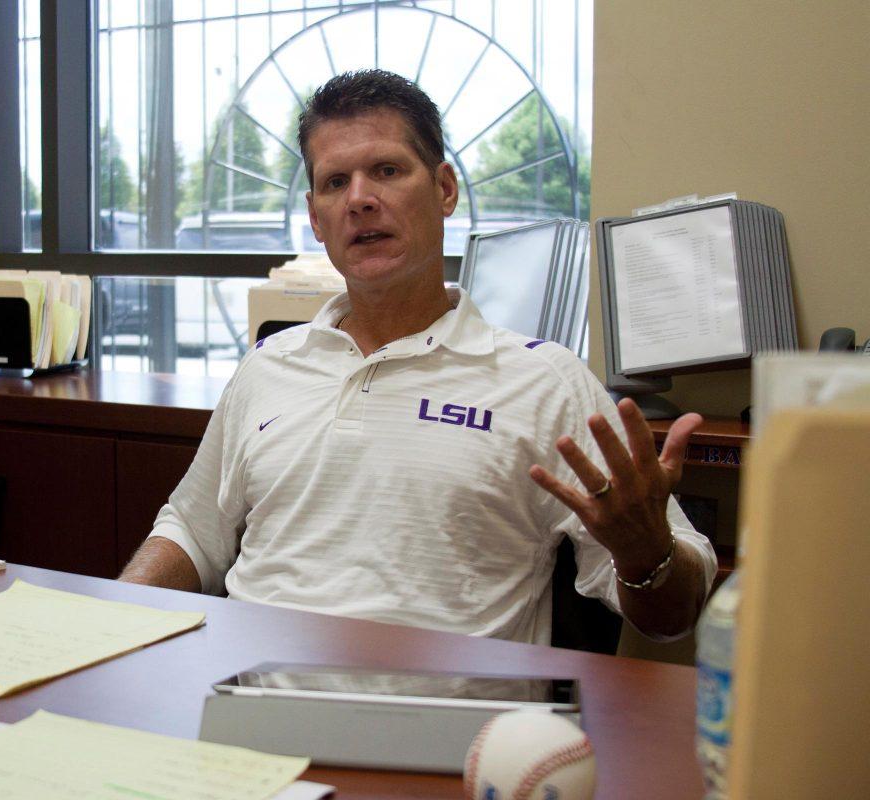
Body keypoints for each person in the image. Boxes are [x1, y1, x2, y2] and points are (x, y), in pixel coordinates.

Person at [120, 69, 716, 645]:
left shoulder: (546, 381)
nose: (359, 199)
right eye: (335, 182)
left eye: (386, 170)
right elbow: (192, 534)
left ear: (445, 189)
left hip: (447, 735)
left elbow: (674, 617)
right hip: (246, 715)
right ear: (315, 219)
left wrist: (647, 554)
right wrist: (109, 622)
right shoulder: (267, 367)